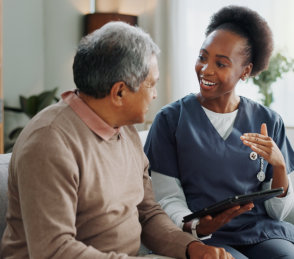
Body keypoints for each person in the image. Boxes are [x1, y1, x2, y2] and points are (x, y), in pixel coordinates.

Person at [0, 21, 234, 259]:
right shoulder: (49, 142)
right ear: (120, 92)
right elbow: (54, 251)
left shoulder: (125, 130)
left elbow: (148, 213)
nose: (155, 94)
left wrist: (192, 248)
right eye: (151, 84)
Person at [144, 5, 294, 259]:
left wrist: (279, 167)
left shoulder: (268, 121)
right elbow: (165, 198)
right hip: (201, 236)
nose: (206, 70)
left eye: (221, 64)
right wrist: (197, 226)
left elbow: (278, 212)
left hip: (260, 233)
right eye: (203, 57)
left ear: (245, 71)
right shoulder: (170, 121)